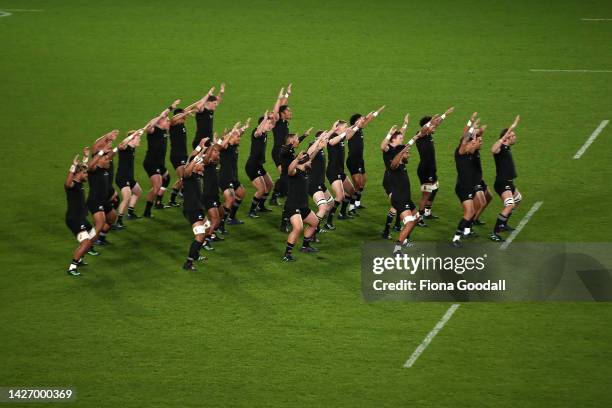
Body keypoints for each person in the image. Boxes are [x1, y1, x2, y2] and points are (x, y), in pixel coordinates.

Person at [282, 139, 328, 262]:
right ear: (303, 163)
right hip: (292, 206)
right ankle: (287, 254)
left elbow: (310, 156)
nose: (311, 162)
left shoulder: (306, 170)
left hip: (303, 206)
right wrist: (296, 160)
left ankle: (305, 246)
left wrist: (318, 147)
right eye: (309, 161)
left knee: (315, 222)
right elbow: (290, 169)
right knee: (298, 228)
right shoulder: (295, 172)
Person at [415, 107, 454, 227]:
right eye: (432, 126)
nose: (434, 127)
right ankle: (419, 218)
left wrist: (444, 115)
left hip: (431, 168)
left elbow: (436, 124)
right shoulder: (420, 135)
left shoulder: (429, 135)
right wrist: (430, 123)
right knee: (426, 194)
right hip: (425, 169)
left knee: (435, 188)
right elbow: (425, 128)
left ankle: (427, 212)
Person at [142, 100, 180, 217]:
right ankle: (147, 211)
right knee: (156, 187)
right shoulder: (153, 130)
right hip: (151, 162)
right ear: (160, 121)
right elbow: (149, 125)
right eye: (166, 120)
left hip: (159, 163)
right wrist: (169, 109)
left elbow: (173, 121)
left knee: (167, 177)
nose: (168, 121)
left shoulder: (165, 131)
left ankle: (158, 201)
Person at [346, 106, 385, 213]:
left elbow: (368, 119)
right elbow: (348, 137)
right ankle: (351, 207)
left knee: (363, 182)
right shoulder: (350, 130)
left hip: (360, 160)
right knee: (357, 184)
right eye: (361, 119)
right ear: (356, 121)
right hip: (353, 160)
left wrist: (377, 112)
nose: (363, 120)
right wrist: (357, 125)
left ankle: (357, 203)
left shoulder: (360, 128)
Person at [451, 122, 483, 247]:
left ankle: (466, 231)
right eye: (472, 144)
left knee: (474, 209)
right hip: (463, 188)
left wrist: (475, 132)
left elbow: (475, 144)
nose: (474, 146)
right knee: (469, 212)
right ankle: (456, 238)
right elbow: (465, 141)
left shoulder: (471, 153)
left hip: (470, 186)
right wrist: (471, 128)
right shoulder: (460, 153)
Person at [490, 115, 522, 242]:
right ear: (507, 137)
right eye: (513, 135)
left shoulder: (507, 147)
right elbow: (493, 149)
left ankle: (503, 224)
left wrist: (512, 128)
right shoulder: (501, 148)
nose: (515, 137)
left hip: (509, 182)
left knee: (518, 200)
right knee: (509, 205)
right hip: (502, 182)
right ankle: (495, 232)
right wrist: (511, 127)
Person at [181, 142, 212, 271]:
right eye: (201, 164)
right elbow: (188, 167)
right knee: (199, 236)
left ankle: (196, 254)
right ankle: (188, 262)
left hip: (198, 208)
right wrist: (196, 158)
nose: (203, 165)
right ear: (194, 166)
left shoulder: (198, 175)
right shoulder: (188, 176)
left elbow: (200, 159)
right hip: (192, 209)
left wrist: (203, 148)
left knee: (208, 228)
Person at [64, 153, 96, 276]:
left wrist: (85, 158)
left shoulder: (80, 182)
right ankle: (72, 268)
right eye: (85, 173)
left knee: (92, 236)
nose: (87, 175)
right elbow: (67, 183)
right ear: (78, 174)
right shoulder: (71, 185)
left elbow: (83, 168)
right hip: (74, 219)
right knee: (86, 242)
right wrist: (73, 166)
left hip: (81, 218)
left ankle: (80, 258)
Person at [324, 121, 360, 228]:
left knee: (351, 191)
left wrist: (357, 125)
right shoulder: (334, 137)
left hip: (340, 171)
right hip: (333, 171)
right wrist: (341, 132)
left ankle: (342, 213)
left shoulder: (342, 137)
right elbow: (331, 142)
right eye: (345, 126)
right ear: (338, 128)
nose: (347, 128)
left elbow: (349, 135)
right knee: (340, 196)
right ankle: (328, 222)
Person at [218, 120, 250, 230]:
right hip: (225, 177)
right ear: (231, 138)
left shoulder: (234, 145)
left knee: (241, 193)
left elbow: (238, 135)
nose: (239, 138)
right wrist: (232, 133)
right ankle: (220, 223)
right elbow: (222, 144)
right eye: (237, 137)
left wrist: (244, 128)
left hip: (233, 176)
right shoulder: (225, 147)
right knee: (230, 200)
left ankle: (231, 218)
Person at [245, 112, 276, 218]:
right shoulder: (257, 133)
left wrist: (271, 118)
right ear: (262, 124)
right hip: (252, 166)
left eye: (270, 124)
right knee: (261, 189)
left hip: (258, 165)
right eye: (268, 123)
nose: (270, 125)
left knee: (270, 184)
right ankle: (251, 211)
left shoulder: (265, 134)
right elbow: (258, 130)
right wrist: (266, 118)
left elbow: (274, 122)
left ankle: (261, 206)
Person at [168, 106, 198, 206]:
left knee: (184, 178)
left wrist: (205, 97)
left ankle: (175, 197)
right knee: (184, 178)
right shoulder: (173, 125)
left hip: (183, 155)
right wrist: (185, 113)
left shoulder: (182, 124)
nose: (184, 118)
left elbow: (186, 110)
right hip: (176, 155)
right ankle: (182, 197)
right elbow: (174, 119)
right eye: (182, 116)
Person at [307, 129, 334, 237]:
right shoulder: (314, 146)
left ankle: (316, 225)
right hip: (312, 183)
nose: (327, 140)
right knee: (323, 207)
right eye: (326, 138)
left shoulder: (322, 148)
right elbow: (309, 154)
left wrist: (333, 129)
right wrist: (318, 143)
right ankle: (313, 230)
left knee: (331, 204)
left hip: (320, 183)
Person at [115, 129, 144, 227]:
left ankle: (130, 213)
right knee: (127, 197)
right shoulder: (125, 148)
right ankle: (118, 221)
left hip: (129, 177)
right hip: (122, 177)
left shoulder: (132, 148)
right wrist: (132, 136)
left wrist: (140, 132)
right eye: (138, 138)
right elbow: (121, 145)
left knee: (138, 192)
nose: (140, 140)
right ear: (132, 139)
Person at [270, 84, 292, 205]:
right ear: (283, 113)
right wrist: (279, 98)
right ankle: (275, 196)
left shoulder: (284, 120)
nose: (290, 112)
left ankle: (281, 192)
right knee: (285, 174)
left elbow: (282, 107)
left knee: (286, 174)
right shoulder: (277, 120)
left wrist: (287, 94)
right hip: (278, 152)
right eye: (288, 111)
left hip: (283, 151)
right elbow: (276, 110)